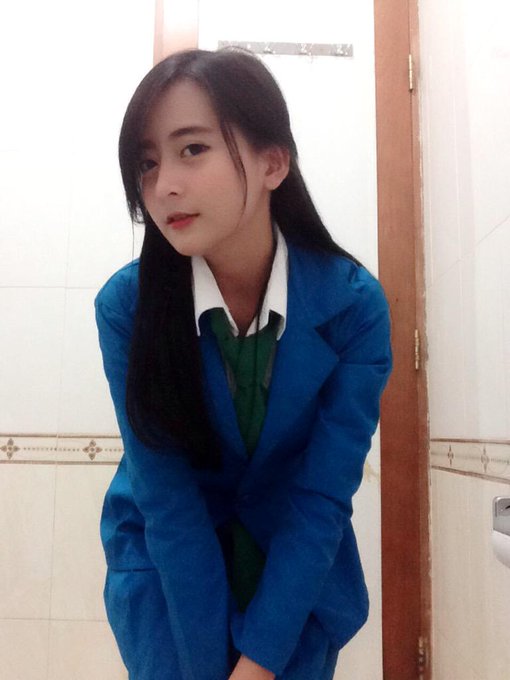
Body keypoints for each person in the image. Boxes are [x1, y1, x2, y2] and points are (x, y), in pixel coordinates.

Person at [94, 47, 392, 680]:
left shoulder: (354, 308)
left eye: (192, 149)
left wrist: (257, 665)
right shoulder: (128, 307)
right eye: (147, 163)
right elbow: (168, 502)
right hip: (168, 579)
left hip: (296, 573)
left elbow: (321, 498)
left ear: (272, 162)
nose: (163, 186)